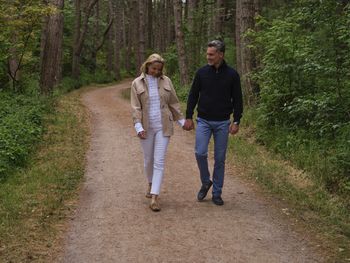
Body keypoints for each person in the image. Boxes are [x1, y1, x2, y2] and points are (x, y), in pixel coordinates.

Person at [183, 40, 243, 206]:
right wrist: (188, 116)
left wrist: (236, 120)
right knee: (200, 152)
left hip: (223, 122)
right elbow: (193, 95)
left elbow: (238, 100)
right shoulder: (202, 73)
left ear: (220, 55)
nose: (207, 56)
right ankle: (205, 181)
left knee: (220, 158)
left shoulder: (232, 75)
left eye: (211, 54)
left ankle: (217, 192)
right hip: (203, 120)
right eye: (207, 53)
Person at [131, 53, 185, 212]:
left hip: (164, 126)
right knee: (148, 160)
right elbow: (135, 107)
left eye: (159, 69)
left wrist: (182, 121)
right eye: (154, 68)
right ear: (147, 66)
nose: (156, 71)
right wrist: (138, 127)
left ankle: (154, 196)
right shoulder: (137, 83)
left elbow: (173, 102)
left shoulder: (166, 81)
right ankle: (150, 183)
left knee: (159, 161)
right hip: (146, 127)